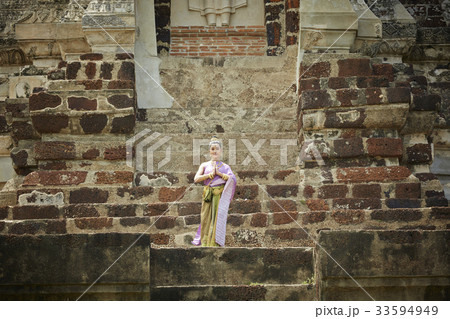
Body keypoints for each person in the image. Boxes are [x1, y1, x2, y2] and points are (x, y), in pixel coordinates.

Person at [191, 136, 236, 247]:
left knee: (217, 217)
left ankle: (215, 243)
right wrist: (209, 175)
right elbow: (196, 179)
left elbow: (232, 179)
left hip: (219, 196)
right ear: (209, 151)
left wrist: (219, 174)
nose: (215, 151)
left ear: (221, 151)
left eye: (217, 149)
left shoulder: (225, 166)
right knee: (205, 217)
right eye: (212, 149)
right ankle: (205, 242)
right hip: (208, 194)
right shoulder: (204, 165)